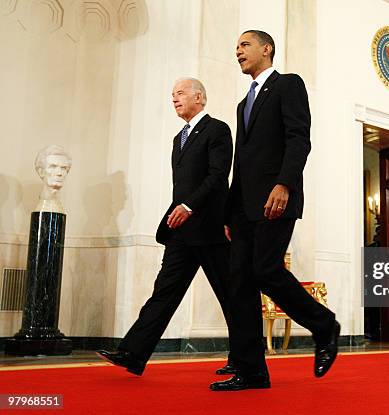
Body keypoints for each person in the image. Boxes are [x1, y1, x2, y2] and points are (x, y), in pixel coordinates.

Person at [210, 30, 340, 392]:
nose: (237, 51)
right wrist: (228, 213)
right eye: (235, 46)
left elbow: (300, 138)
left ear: (266, 49)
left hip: (276, 198)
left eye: (244, 45)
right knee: (239, 285)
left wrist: (284, 184)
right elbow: (243, 161)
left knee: (266, 270)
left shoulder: (288, 85)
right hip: (243, 208)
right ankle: (251, 372)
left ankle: (323, 324)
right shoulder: (242, 104)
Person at [97, 77, 236, 376]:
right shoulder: (178, 138)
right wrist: (180, 210)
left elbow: (217, 176)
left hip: (212, 230)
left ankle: (242, 358)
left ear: (199, 97)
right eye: (172, 95)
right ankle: (133, 354)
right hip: (182, 233)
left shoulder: (217, 129)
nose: (174, 98)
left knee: (231, 296)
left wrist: (188, 207)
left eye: (181, 93)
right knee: (164, 293)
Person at [34, 145, 72, 213]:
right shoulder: (42, 206)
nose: (59, 173)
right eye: (53, 167)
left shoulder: (59, 207)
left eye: (63, 168)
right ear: (41, 171)